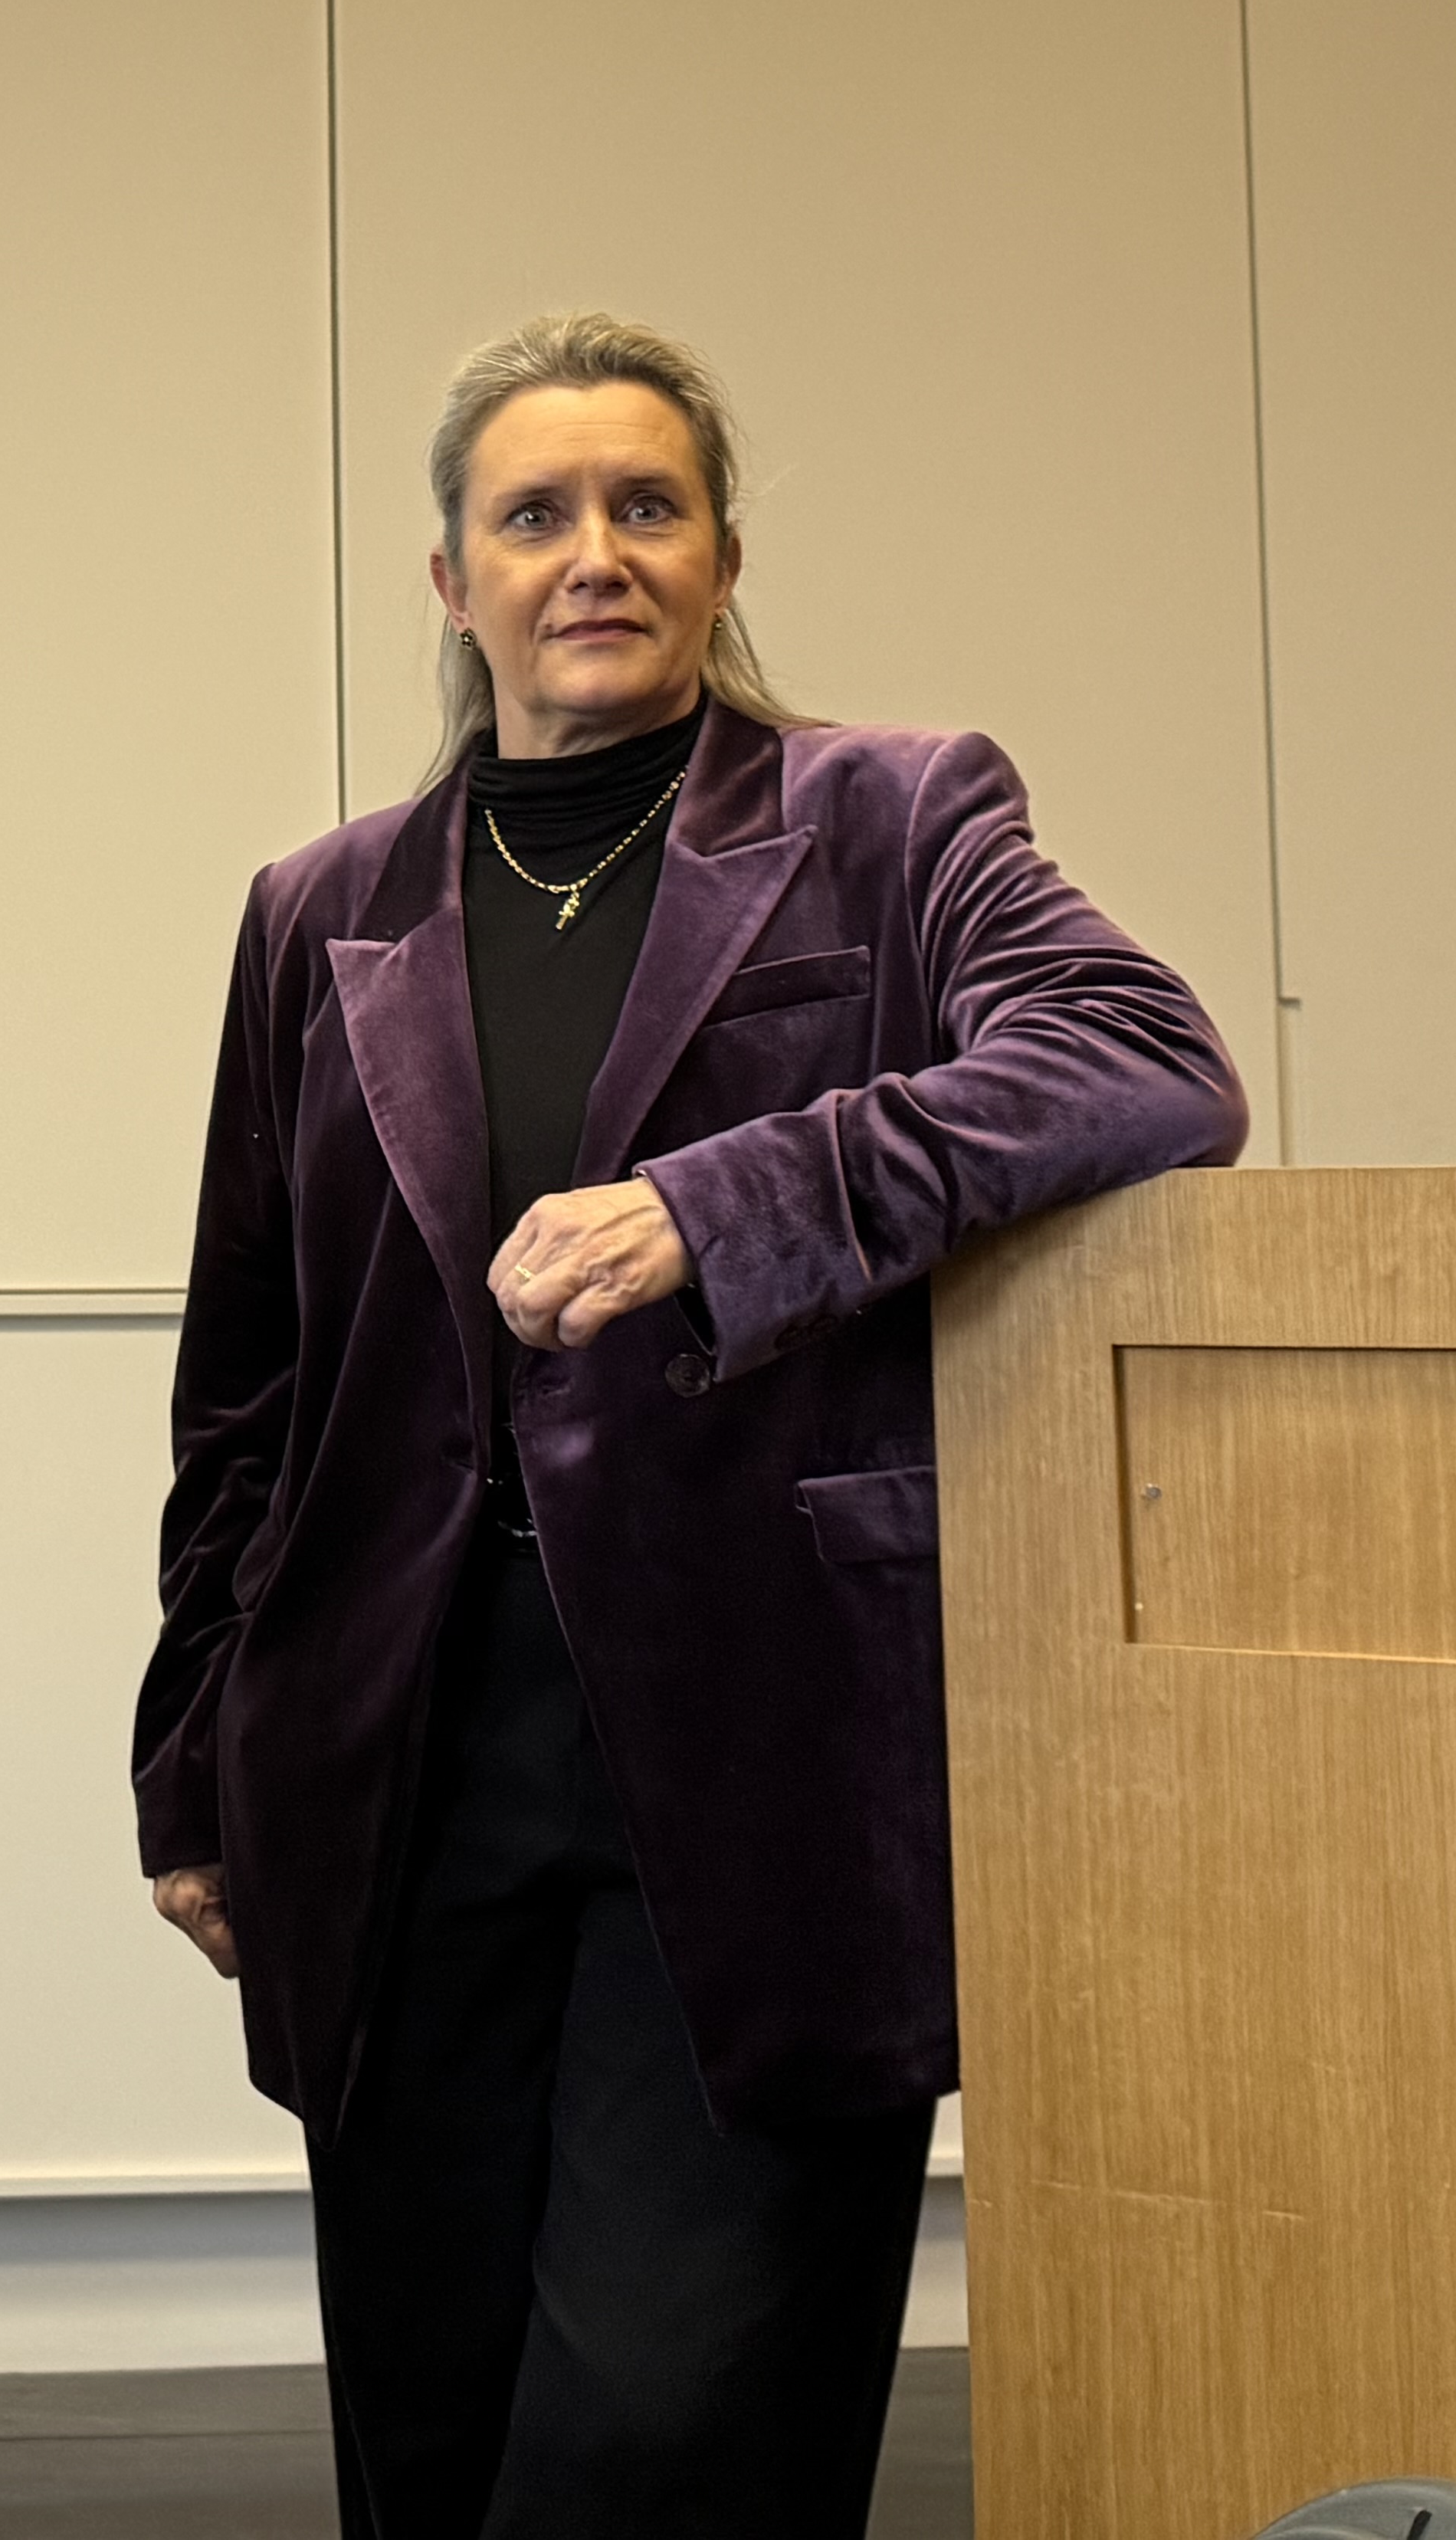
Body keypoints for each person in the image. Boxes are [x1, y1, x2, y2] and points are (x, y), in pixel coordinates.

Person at [131, 313, 1244, 2538]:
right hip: (395, 1746)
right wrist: (193, 1752)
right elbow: (248, 1375)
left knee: (668, 2431)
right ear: (451, 580)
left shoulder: (888, 820)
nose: (596, 553)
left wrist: (721, 1205)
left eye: (650, 505)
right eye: (535, 514)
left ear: (723, 556)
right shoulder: (319, 912)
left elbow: (1147, 1061)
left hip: (760, 1751)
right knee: (433, 2429)